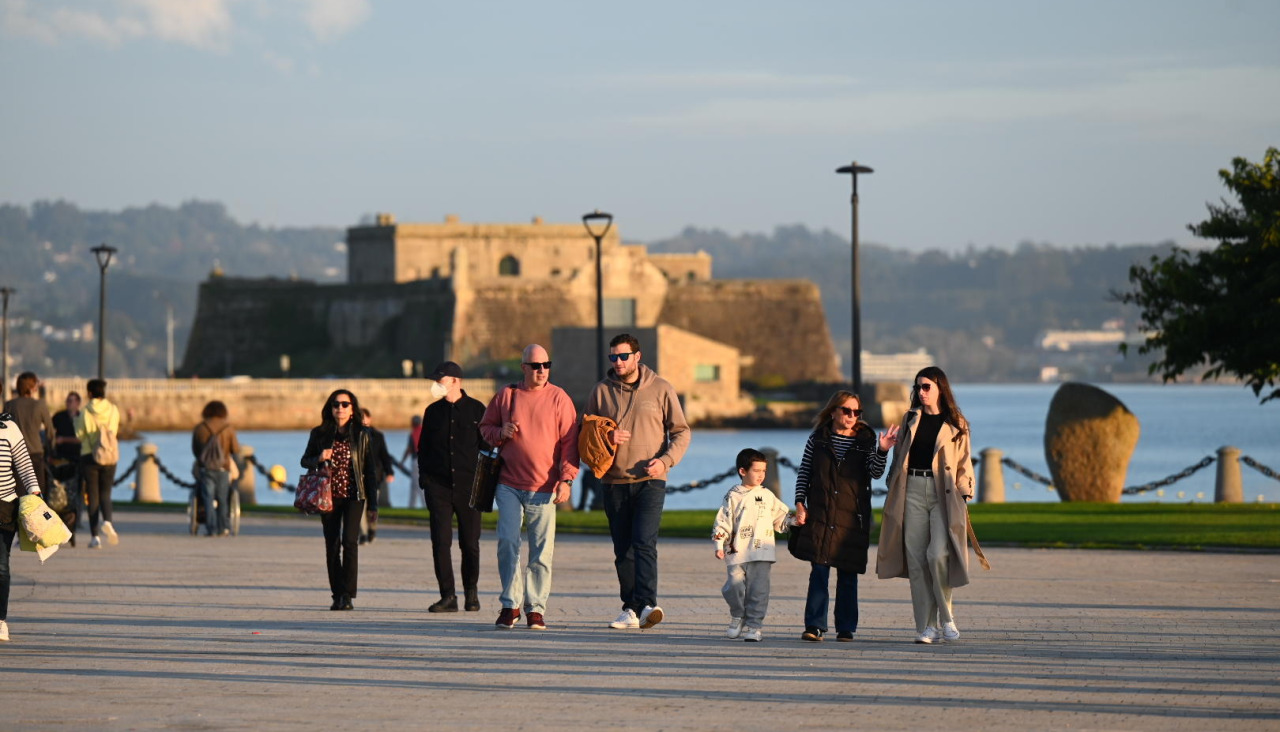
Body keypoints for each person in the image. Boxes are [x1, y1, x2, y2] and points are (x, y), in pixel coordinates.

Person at [584, 333, 691, 631]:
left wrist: (665, 461)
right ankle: (630, 608)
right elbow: (584, 435)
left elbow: (681, 432)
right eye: (613, 357)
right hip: (613, 481)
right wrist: (607, 437)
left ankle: (646, 605)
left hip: (650, 478)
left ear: (637, 357)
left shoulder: (661, 389)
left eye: (623, 356)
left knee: (644, 541)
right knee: (623, 549)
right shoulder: (601, 392)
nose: (618, 362)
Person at [479, 344, 579, 630]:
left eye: (546, 365)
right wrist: (501, 433)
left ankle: (535, 608)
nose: (542, 370)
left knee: (541, 551)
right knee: (508, 544)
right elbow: (485, 429)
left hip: (545, 487)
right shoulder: (506, 395)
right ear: (523, 367)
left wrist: (567, 479)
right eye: (535, 366)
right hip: (508, 483)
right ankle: (510, 605)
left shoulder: (559, 398)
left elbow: (570, 444)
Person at [875, 366, 976, 644]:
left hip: (943, 494)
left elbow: (965, 463)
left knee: (937, 555)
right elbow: (899, 458)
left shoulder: (957, 423)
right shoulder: (910, 419)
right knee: (918, 561)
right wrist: (891, 480)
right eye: (918, 387)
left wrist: (964, 493)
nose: (921, 392)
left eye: (926, 387)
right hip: (912, 492)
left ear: (940, 388)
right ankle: (926, 627)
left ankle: (947, 618)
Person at [791, 391, 895, 642]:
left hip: (852, 517)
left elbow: (875, 472)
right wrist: (800, 502)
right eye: (846, 411)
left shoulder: (866, 439)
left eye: (856, 412)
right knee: (819, 569)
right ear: (833, 411)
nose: (851, 416)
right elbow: (805, 471)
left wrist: (882, 450)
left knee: (848, 572)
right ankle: (814, 625)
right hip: (821, 513)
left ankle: (846, 627)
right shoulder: (818, 439)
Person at [417, 361, 487, 613]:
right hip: (438, 487)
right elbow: (423, 449)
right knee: (440, 542)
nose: (436, 385)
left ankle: (471, 593)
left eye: (440, 380)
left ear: (455, 381)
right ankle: (448, 596)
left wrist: (485, 483)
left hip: (470, 487)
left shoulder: (478, 409)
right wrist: (425, 480)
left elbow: (487, 449)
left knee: (470, 543)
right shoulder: (432, 412)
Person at [301, 389, 380, 611]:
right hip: (328, 496)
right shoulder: (319, 433)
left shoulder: (362, 434)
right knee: (332, 544)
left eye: (345, 404)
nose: (340, 408)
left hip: (355, 495)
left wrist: (373, 504)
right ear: (330, 408)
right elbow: (304, 461)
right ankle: (337, 594)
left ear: (352, 408)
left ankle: (348, 595)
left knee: (350, 542)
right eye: (336, 404)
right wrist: (319, 457)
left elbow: (370, 471)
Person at [711, 448, 791, 643]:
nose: (761, 475)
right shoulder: (733, 495)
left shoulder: (767, 495)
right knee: (733, 588)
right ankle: (738, 615)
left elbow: (781, 517)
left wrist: (795, 521)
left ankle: (754, 626)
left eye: (764, 471)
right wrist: (719, 544)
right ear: (743, 471)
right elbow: (723, 521)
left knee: (759, 590)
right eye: (756, 471)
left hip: (762, 552)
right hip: (736, 552)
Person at [0, 412, 43, 642]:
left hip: (4, 506)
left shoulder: (9, 427)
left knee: (1, 566)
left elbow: (24, 464)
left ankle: (0, 620)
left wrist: (35, 491)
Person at [74, 378, 120, 549]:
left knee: (92, 496)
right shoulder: (113, 409)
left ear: (90, 393)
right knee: (106, 493)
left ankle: (95, 537)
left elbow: (80, 435)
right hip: (109, 455)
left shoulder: (86, 411)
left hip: (89, 456)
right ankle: (107, 521)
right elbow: (114, 430)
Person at [191, 400, 241, 537]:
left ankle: (211, 528)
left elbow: (195, 450)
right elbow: (235, 449)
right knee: (223, 498)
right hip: (223, 468)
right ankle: (223, 527)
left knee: (208, 498)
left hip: (206, 469)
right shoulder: (228, 428)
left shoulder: (200, 428)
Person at [3, 371, 55, 493]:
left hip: (15, 455)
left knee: (19, 494)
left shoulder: (9, 405)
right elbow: (50, 431)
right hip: (35, 454)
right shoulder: (39, 405)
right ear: (32, 387)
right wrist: (51, 451)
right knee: (37, 493)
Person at [51, 391, 84, 543]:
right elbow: (51, 435)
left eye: (72, 401)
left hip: (78, 459)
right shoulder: (59, 417)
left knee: (77, 492)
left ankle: (75, 522)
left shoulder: (82, 417)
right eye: (67, 400)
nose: (69, 403)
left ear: (78, 403)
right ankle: (56, 525)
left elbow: (82, 439)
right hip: (61, 460)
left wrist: (64, 439)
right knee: (58, 493)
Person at [358, 408, 394, 545]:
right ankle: (362, 534)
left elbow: (384, 455)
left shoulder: (378, 436)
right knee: (360, 508)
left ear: (369, 419)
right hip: (358, 479)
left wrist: (389, 471)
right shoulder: (354, 436)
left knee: (372, 507)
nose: (362, 420)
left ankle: (372, 528)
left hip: (374, 478)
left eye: (364, 417)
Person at [402, 415, 423, 509]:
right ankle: (411, 506)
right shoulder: (425, 431)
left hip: (416, 461)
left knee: (417, 484)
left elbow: (409, 449)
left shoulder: (413, 433)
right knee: (414, 485)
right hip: (425, 461)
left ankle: (425, 505)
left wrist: (402, 461)